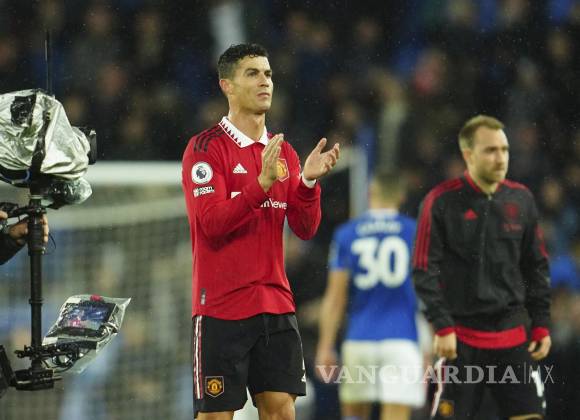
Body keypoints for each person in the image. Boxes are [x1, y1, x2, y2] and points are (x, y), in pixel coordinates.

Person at [181, 43, 340, 420]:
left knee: (282, 412)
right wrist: (261, 185)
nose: (265, 81)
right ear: (227, 86)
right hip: (221, 308)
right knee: (216, 417)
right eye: (252, 73)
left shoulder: (284, 153)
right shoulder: (205, 149)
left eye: (268, 73)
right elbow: (211, 224)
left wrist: (307, 184)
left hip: (275, 304)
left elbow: (305, 228)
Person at [413, 115, 551, 420]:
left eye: (504, 150)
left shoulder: (522, 199)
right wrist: (442, 325)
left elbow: (536, 267)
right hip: (460, 340)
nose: (500, 158)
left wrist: (541, 322)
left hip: (512, 336)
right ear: (468, 154)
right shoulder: (440, 202)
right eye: (491, 150)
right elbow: (424, 269)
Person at [315, 170, 427, 420]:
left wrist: (325, 345)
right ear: (401, 196)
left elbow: (335, 298)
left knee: (354, 415)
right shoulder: (414, 232)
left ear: (370, 193)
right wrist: (431, 343)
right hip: (401, 339)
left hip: (360, 337)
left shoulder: (347, 233)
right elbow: (428, 292)